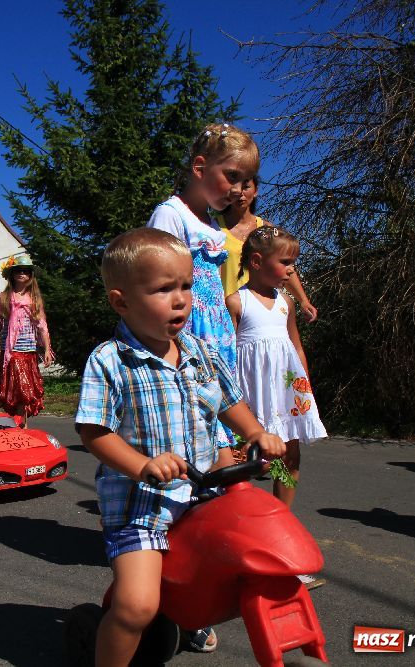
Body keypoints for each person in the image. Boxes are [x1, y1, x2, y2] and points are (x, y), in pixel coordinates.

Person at [76, 228, 286, 665]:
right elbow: (94, 431)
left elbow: (230, 403)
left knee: (233, 570)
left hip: (205, 493)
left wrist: (255, 433)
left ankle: (191, 613)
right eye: (163, 289)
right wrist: (142, 465)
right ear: (122, 302)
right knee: (136, 607)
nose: (180, 300)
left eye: (186, 286)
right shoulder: (110, 360)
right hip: (143, 505)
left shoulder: (200, 350)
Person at [147, 123, 259, 448]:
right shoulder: (171, 215)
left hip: (216, 330)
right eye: (232, 176)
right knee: (192, 417)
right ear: (200, 168)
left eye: (245, 181)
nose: (239, 189)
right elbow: (159, 281)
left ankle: (217, 481)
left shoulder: (210, 225)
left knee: (216, 409)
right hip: (189, 330)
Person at [226, 226, 327, 505]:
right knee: (246, 458)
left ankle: (283, 516)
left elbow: (295, 345)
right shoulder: (236, 302)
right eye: (285, 262)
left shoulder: (286, 303)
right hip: (251, 392)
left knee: (289, 455)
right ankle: (237, 516)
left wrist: (304, 384)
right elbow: (228, 355)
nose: (291, 270)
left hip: (285, 393)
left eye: (293, 262)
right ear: (257, 262)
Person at [216, 176, 319, 322]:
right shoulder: (213, 228)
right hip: (226, 313)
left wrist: (303, 300)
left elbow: (284, 265)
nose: (240, 193)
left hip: (262, 310)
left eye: (246, 187)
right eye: (234, 187)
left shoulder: (268, 231)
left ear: (256, 191)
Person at [0, 254, 54, 422]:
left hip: (28, 351)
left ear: (30, 275)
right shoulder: (4, 297)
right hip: (10, 352)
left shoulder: (34, 299)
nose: (21, 273)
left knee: (25, 389)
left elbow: (42, 326)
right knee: (13, 390)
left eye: (25, 270)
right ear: (11, 274)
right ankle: (15, 423)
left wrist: (46, 349)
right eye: (17, 270)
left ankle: (21, 424)